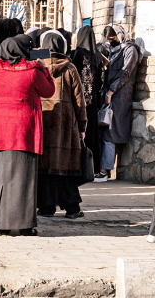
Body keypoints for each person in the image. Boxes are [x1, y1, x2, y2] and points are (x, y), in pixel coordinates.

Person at [0, 35, 55, 236]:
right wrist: (44, 68)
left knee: (1, 179)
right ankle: (23, 225)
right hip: (24, 130)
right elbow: (49, 91)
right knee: (24, 179)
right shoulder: (32, 71)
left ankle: (0, 225)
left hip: (0, 131)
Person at [37, 30, 87, 219]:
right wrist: (82, 125)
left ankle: (46, 208)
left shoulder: (37, 66)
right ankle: (72, 208)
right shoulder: (70, 68)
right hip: (65, 126)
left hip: (43, 121)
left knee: (46, 168)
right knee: (66, 170)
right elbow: (79, 100)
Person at [96, 24, 143, 182]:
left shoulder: (130, 50)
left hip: (119, 96)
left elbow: (126, 73)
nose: (111, 41)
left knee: (111, 132)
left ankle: (104, 171)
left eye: (113, 38)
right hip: (110, 94)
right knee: (105, 130)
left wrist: (111, 92)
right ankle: (104, 169)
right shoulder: (113, 49)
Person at [71, 26, 106, 173]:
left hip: (78, 101)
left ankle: (79, 167)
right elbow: (99, 81)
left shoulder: (77, 54)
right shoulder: (97, 56)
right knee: (92, 134)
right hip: (93, 102)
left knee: (79, 133)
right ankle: (93, 168)